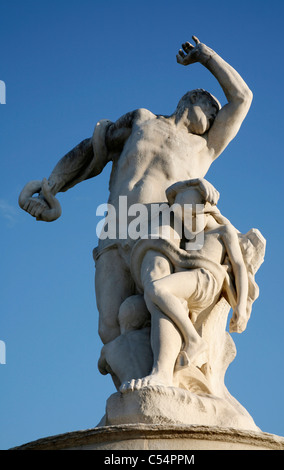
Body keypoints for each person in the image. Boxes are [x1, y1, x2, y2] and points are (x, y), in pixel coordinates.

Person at [19, 37, 253, 358]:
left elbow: (242, 99)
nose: (214, 119)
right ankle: (136, 397)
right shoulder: (142, 119)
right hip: (116, 229)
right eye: (211, 110)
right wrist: (51, 186)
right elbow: (91, 149)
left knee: (159, 302)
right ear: (191, 101)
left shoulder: (205, 148)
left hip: (159, 231)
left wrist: (206, 57)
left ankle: (169, 373)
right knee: (110, 327)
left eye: (217, 116)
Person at [122, 180, 250, 391]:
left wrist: (242, 307)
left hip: (206, 280)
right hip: (192, 280)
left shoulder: (223, 230)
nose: (189, 223)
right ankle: (163, 370)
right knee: (154, 299)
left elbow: (239, 267)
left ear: (205, 210)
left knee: (156, 289)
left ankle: (193, 340)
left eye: (192, 215)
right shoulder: (190, 237)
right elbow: (171, 191)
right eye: (183, 217)